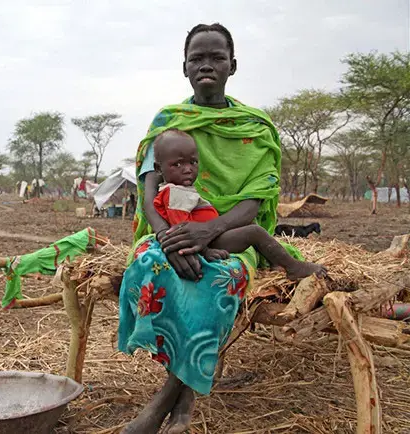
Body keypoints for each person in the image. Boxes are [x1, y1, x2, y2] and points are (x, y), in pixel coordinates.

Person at [118, 23, 308, 434]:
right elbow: (149, 186)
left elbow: (254, 203)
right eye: (197, 58)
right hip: (169, 231)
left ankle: (170, 402)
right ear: (184, 67)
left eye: (216, 57)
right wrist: (167, 239)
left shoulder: (254, 129)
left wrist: (207, 233)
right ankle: (182, 399)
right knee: (154, 265)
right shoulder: (169, 122)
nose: (206, 65)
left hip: (229, 234)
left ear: (232, 66)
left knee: (217, 277)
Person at [152, 129, 325, 279]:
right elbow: (181, 231)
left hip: (208, 235)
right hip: (206, 241)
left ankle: (274, 262)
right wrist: (205, 251)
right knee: (254, 232)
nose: (188, 169)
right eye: (178, 164)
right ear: (159, 169)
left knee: (248, 225)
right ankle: (293, 267)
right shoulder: (176, 193)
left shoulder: (178, 189)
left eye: (193, 162)